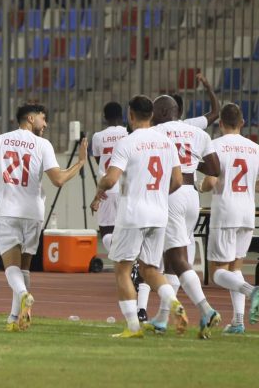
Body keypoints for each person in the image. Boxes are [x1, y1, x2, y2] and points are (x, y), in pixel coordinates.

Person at [0, 103, 87, 331]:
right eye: (43, 118)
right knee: (24, 266)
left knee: (11, 267)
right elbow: (58, 180)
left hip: (8, 211)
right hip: (33, 212)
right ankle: (14, 318)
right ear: (30, 118)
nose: (45, 124)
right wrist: (81, 162)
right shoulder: (43, 145)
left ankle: (24, 295)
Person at [92, 95, 184, 339]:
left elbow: (111, 179)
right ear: (151, 115)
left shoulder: (127, 142)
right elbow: (177, 180)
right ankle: (174, 302)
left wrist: (100, 186)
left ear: (131, 115)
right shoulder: (167, 142)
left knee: (122, 269)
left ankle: (133, 326)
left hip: (133, 214)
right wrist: (158, 196)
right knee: (150, 269)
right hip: (159, 214)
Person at [144, 95, 221, 338]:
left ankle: (206, 309)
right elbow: (215, 169)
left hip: (171, 193)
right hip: (191, 196)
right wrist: (192, 162)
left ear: (162, 112)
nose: (152, 117)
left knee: (176, 258)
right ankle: (162, 319)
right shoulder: (198, 133)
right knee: (172, 258)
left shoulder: (155, 132)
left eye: (154, 112)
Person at [200, 103, 259, 334]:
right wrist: (249, 188)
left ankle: (252, 291)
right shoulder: (255, 148)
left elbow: (211, 181)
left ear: (220, 123)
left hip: (225, 212)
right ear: (242, 123)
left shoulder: (214, 146)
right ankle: (238, 321)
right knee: (235, 267)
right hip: (247, 213)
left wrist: (200, 186)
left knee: (217, 272)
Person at [90, 102, 127, 257]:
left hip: (107, 189)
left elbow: (99, 161)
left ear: (105, 117)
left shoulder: (98, 137)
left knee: (106, 231)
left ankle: (121, 258)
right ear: (122, 116)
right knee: (127, 229)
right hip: (126, 188)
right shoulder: (128, 133)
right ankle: (129, 260)